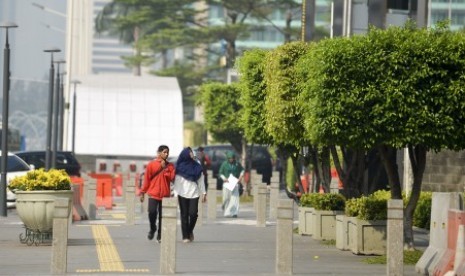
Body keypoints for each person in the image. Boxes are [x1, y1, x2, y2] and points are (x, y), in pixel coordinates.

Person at [140, 145, 175, 243]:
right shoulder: (151, 164)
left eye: (168, 152)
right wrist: (142, 192)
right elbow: (146, 179)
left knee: (162, 216)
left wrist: (165, 169)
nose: (166, 154)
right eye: (164, 152)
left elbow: (172, 178)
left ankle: (160, 234)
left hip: (165, 195)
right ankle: (152, 228)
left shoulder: (170, 166)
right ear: (159, 153)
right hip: (153, 194)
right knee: (152, 212)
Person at [173, 147, 207, 243]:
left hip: (194, 193)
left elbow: (201, 179)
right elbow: (176, 181)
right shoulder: (179, 167)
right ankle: (185, 237)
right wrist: (175, 194)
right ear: (185, 154)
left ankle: (189, 230)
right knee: (184, 215)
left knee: (193, 214)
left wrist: (204, 192)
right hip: (182, 193)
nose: (192, 154)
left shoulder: (197, 166)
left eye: (192, 152)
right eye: (190, 152)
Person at [219, 151, 244, 218]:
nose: (231, 159)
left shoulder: (237, 164)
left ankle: (234, 213)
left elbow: (242, 170)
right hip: (226, 184)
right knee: (226, 198)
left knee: (235, 198)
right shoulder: (224, 164)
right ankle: (224, 206)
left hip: (235, 183)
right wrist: (224, 178)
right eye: (230, 158)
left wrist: (240, 177)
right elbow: (220, 173)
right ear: (227, 158)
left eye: (232, 158)